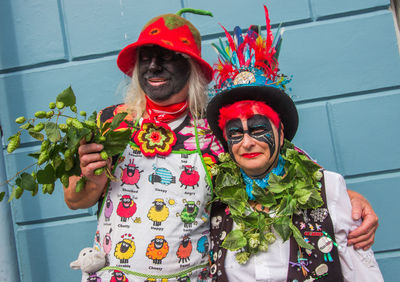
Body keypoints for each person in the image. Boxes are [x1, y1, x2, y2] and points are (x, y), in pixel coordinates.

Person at [63, 7, 378, 282]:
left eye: (168, 57)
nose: (154, 67)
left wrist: (349, 197)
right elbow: (75, 199)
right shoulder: (111, 122)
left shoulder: (217, 129)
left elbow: (289, 167)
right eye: (146, 58)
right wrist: (89, 181)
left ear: (194, 68)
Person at [205, 5, 383, 281]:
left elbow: (363, 274)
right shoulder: (217, 199)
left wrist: (347, 197)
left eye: (258, 129)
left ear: (280, 130)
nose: (247, 142)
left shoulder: (326, 188)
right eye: (236, 134)